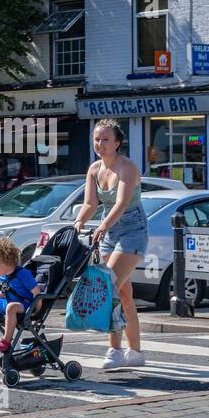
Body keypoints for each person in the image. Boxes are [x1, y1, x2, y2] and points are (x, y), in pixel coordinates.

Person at [73, 119, 149, 370]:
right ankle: (135, 352)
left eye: (106, 139)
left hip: (132, 230)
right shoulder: (94, 169)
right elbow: (90, 204)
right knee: (125, 294)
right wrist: (78, 222)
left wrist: (103, 226)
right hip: (108, 233)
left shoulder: (127, 167)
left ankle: (115, 349)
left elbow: (122, 203)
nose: (100, 144)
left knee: (109, 286)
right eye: (97, 139)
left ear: (117, 142)